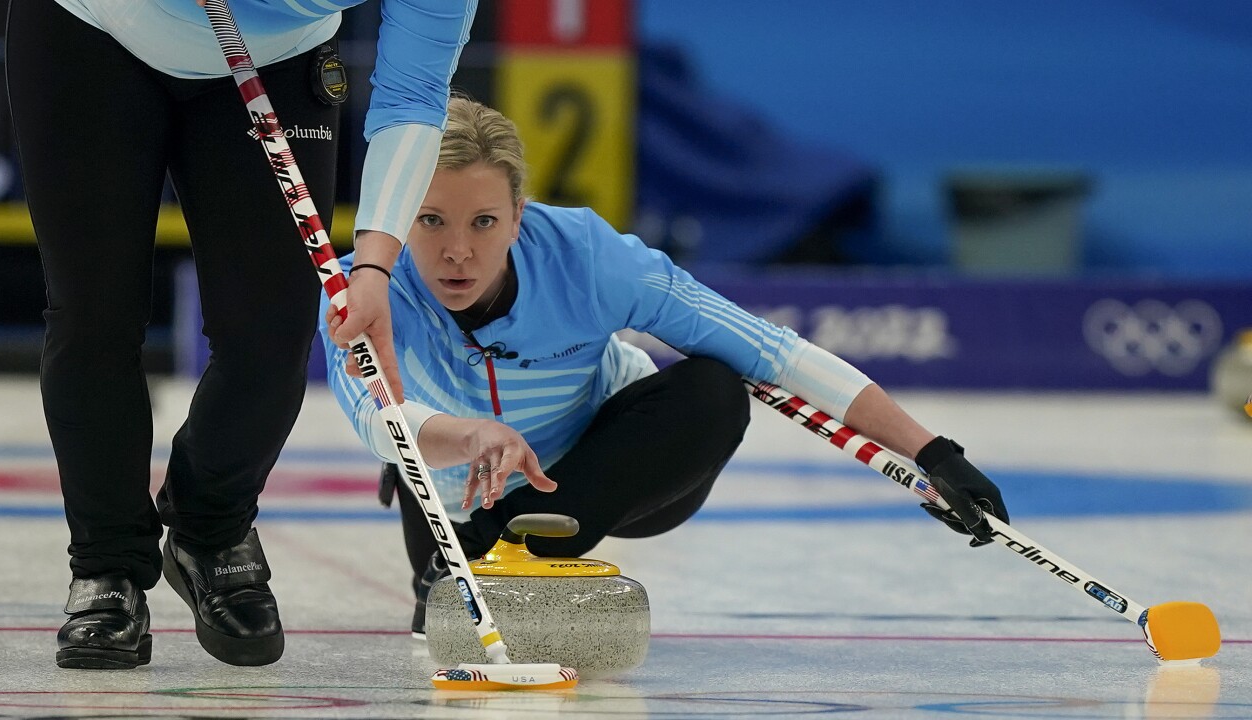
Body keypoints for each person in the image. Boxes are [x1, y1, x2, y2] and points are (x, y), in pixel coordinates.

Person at [322, 97, 1010, 636]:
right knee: (413, 434)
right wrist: (465, 434)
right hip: (449, 475)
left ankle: (501, 555)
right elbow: (378, 418)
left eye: (483, 223)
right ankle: (457, 549)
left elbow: (772, 351)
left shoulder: (589, 256)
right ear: (397, 218)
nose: (457, 253)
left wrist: (934, 453)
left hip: (602, 471)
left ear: (519, 217)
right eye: (431, 221)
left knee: (715, 387)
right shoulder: (363, 291)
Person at [6, 0, 473, 669]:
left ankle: (210, 526)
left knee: (275, 330)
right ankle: (106, 567)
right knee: (93, 318)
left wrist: (373, 266)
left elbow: (414, 93)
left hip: (278, 59)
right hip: (94, 29)